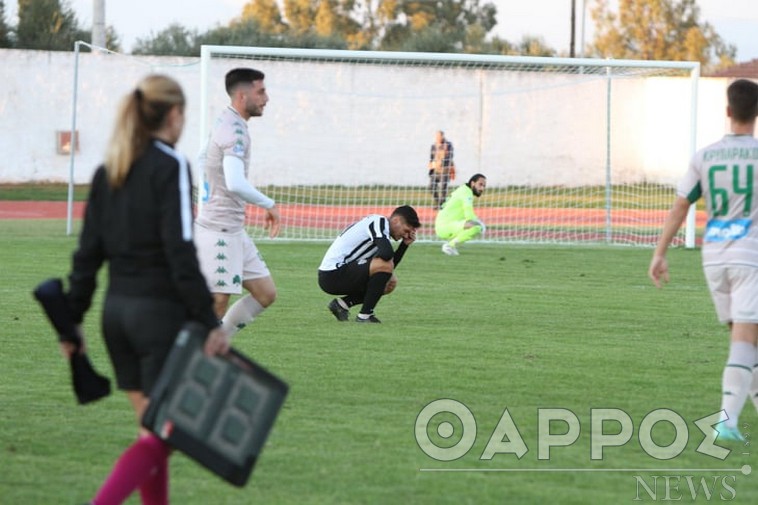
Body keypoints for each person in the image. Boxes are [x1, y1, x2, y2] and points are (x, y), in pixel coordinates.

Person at [64, 75, 229, 505]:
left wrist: (72, 322)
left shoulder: (108, 170)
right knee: (165, 436)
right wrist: (209, 321)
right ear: (173, 115)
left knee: (152, 431)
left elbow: (87, 256)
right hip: (158, 321)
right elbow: (180, 251)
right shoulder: (170, 166)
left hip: (115, 318)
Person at [648, 79, 758, 443]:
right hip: (749, 256)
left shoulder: (704, 156)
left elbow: (682, 204)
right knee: (745, 341)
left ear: (728, 112)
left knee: (745, 342)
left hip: (713, 258)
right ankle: (726, 421)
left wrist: (660, 252)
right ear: (756, 113)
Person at [195, 68, 281, 339]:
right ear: (243, 96)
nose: (266, 98)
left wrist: (208, 190)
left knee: (265, 293)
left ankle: (219, 344)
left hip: (233, 229)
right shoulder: (236, 131)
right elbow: (235, 182)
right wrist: (269, 204)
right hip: (219, 230)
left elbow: (202, 157)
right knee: (217, 302)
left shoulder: (226, 121)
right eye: (261, 92)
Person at [318, 205, 421, 323]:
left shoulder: (382, 233)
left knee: (389, 282)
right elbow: (386, 256)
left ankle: (342, 305)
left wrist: (404, 245)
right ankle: (365, 316)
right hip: (332, 274)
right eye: (406, 230)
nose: (406, 235)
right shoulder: (378, 221)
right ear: (396, 220)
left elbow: (387, 269)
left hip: (341, 274)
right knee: (384, 267)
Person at [435, 173, 487, 256]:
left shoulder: (464, 190)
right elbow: (469, 215)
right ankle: (449, 246)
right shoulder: (466, 193)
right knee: (476, 227)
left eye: (484, 186)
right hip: (445, 226)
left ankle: (450, 245)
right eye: (480, 184)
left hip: (446, 225)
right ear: (473, 183)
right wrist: (480, 223)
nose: (482, 188)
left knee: (476, 226)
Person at [428, 130, 455, 208]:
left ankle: (442, 205)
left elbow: (449, 156)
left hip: (445, 170)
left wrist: (441, 162)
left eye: (439, 136)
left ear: (443, 136)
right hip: (435, 170)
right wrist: (430, 164)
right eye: (436, 136)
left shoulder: (448, 145)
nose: (438, 138)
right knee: (431, 187)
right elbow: (431, 157)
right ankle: (438, 202)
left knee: (443, 187)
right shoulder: (433, 146)